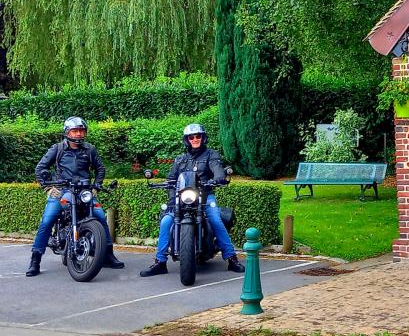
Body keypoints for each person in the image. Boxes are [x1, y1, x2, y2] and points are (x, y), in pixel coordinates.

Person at [140, 124, 245, 276]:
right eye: (191, 137)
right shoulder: (180, 159)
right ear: (187, 140)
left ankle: (231, 258)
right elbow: (171, 180)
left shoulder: (211, 155)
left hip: (204, 197)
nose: (195, 139)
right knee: (165, 222)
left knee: (215, 220)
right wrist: (171, 199)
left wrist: (219, 178)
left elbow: (217, 170)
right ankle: (160, 262)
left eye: (198, 136)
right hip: (182, 199)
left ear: (203, 138)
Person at [26, 116, 124, 277]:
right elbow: (40, 168)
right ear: (67, 132)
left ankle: (107, 255)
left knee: (100, 216)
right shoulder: (57, 149)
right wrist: (48, 188)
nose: (79, 134)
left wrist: (96, 187)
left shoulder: (90, 149)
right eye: (75, 131)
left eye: (81, 131)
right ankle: (35, 260)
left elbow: (100, 169)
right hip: (62, 191)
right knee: (47, 220)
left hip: (84, 191)